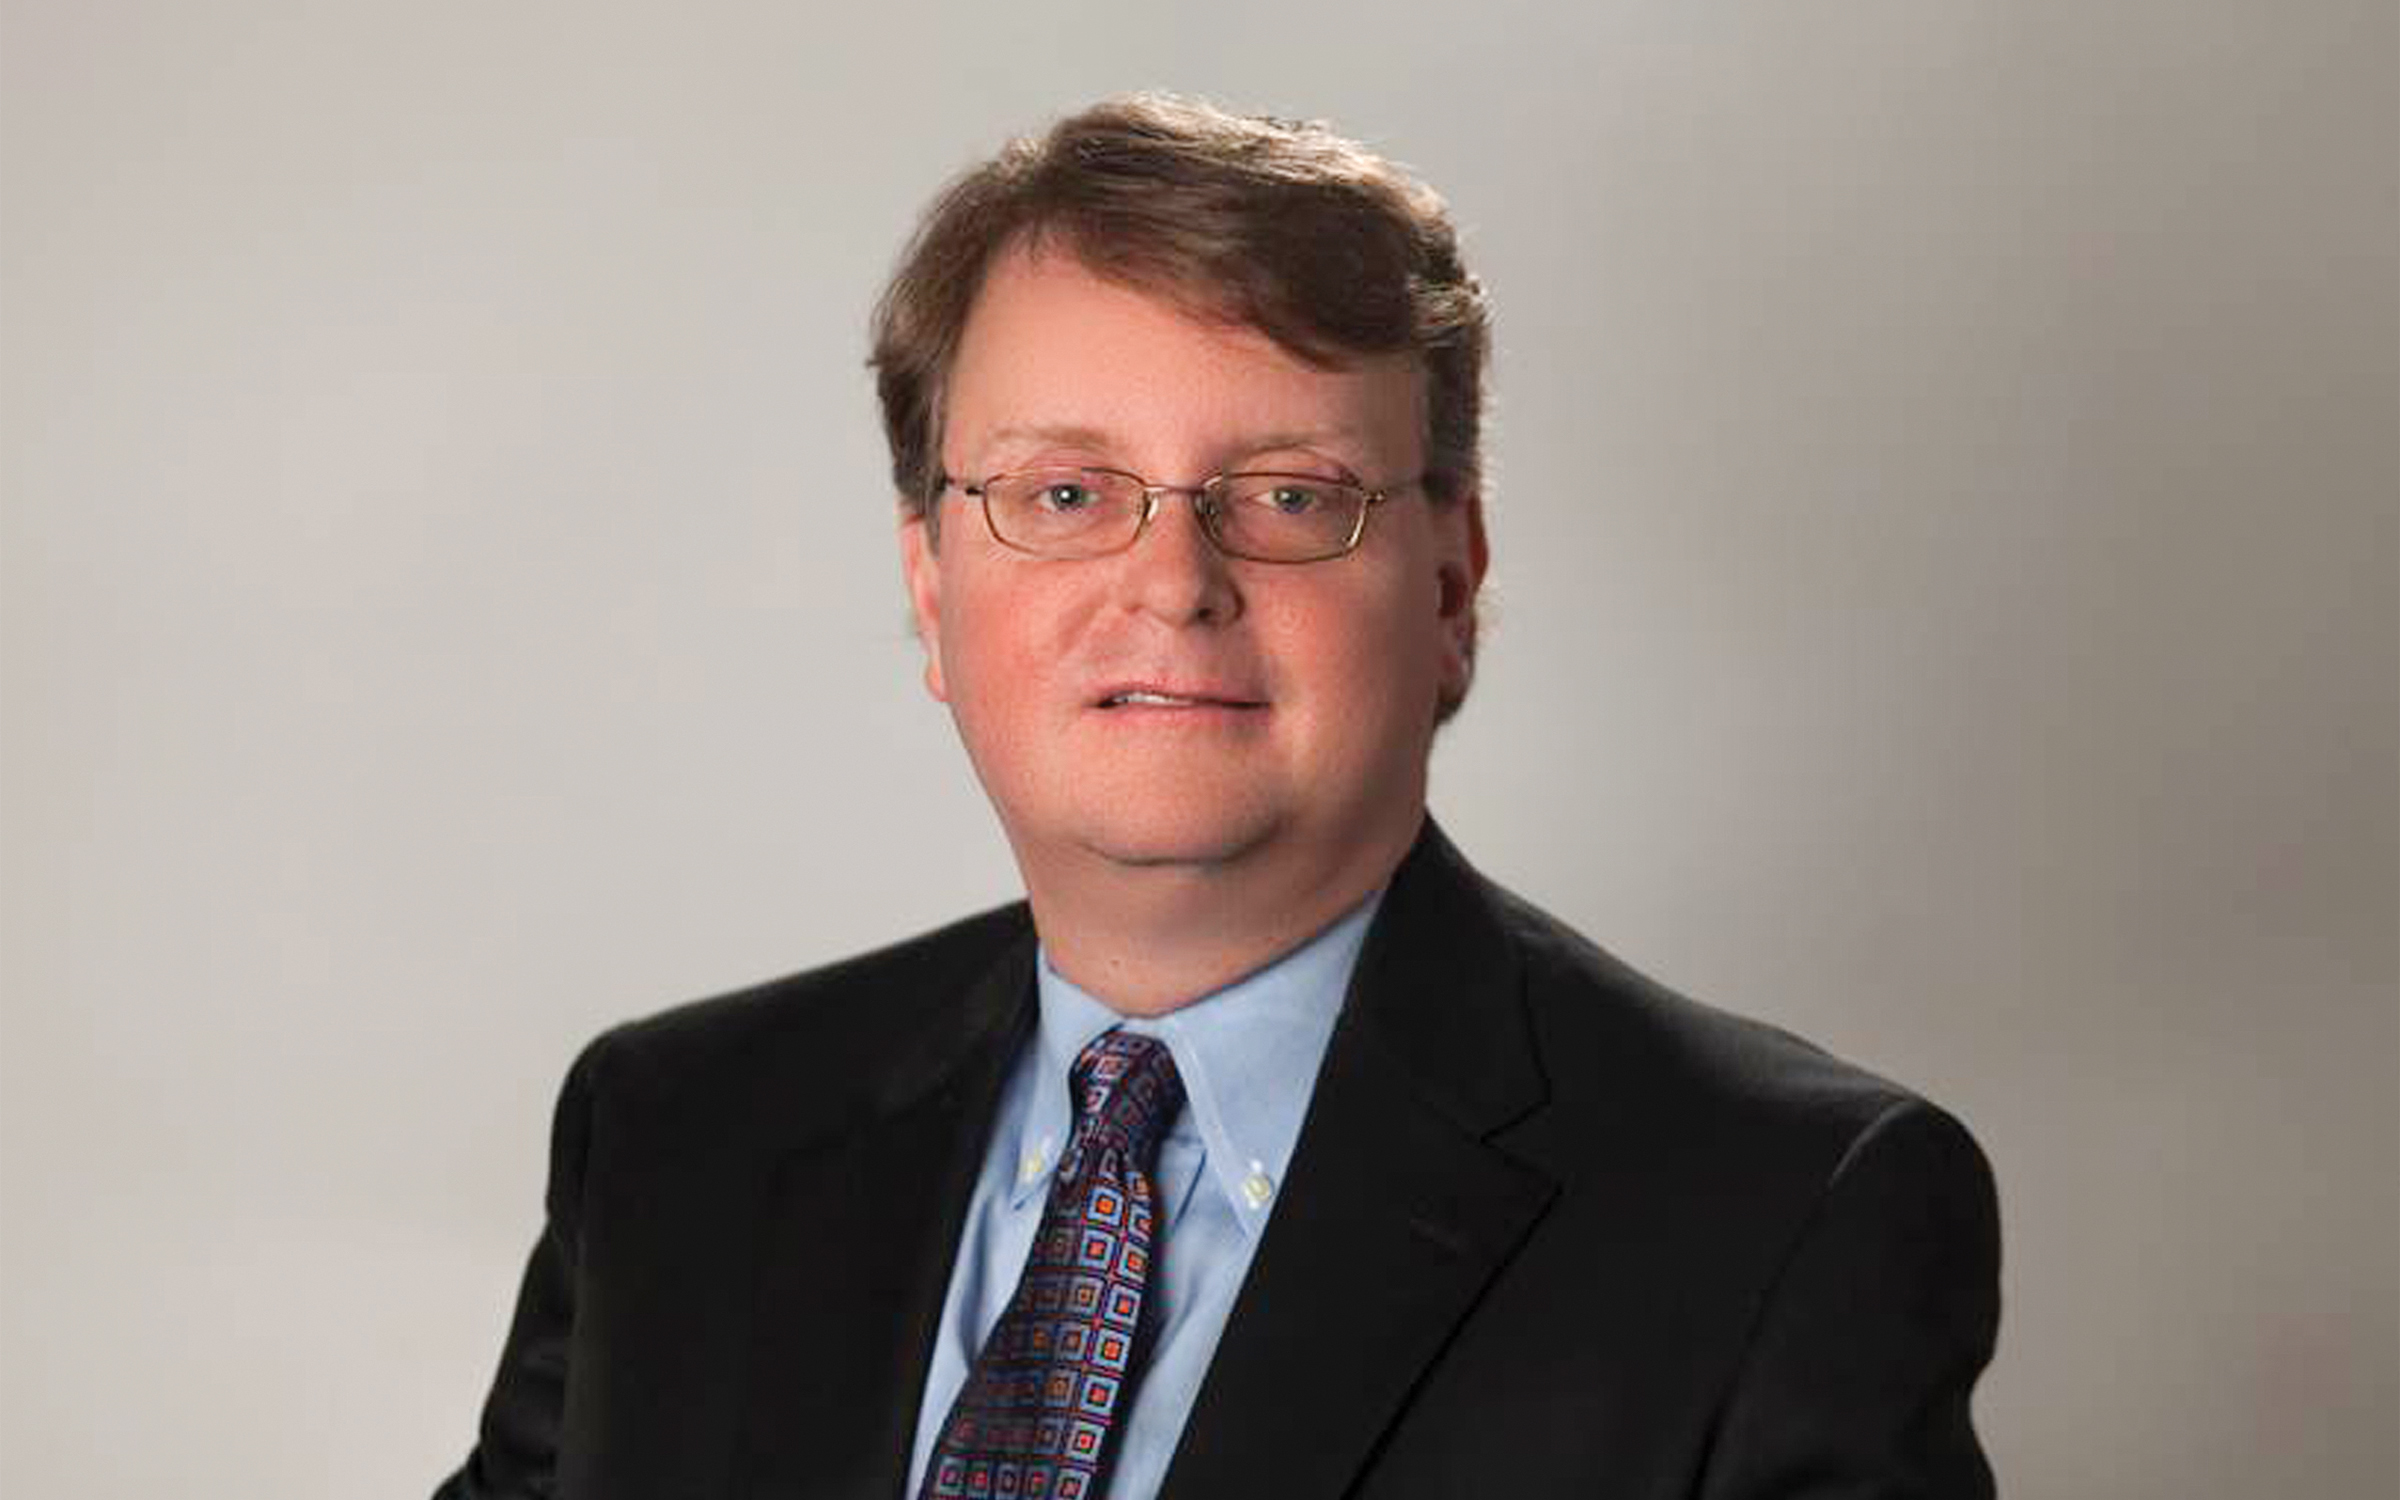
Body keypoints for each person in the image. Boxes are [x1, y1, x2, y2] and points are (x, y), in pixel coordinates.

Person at [436, 94, 2001, 1500]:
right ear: (931, 588)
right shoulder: (676, 1145)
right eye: (1065, 492)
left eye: (1291, 495)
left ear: (1450, 585)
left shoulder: (1784, 1221)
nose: (1174, 582)